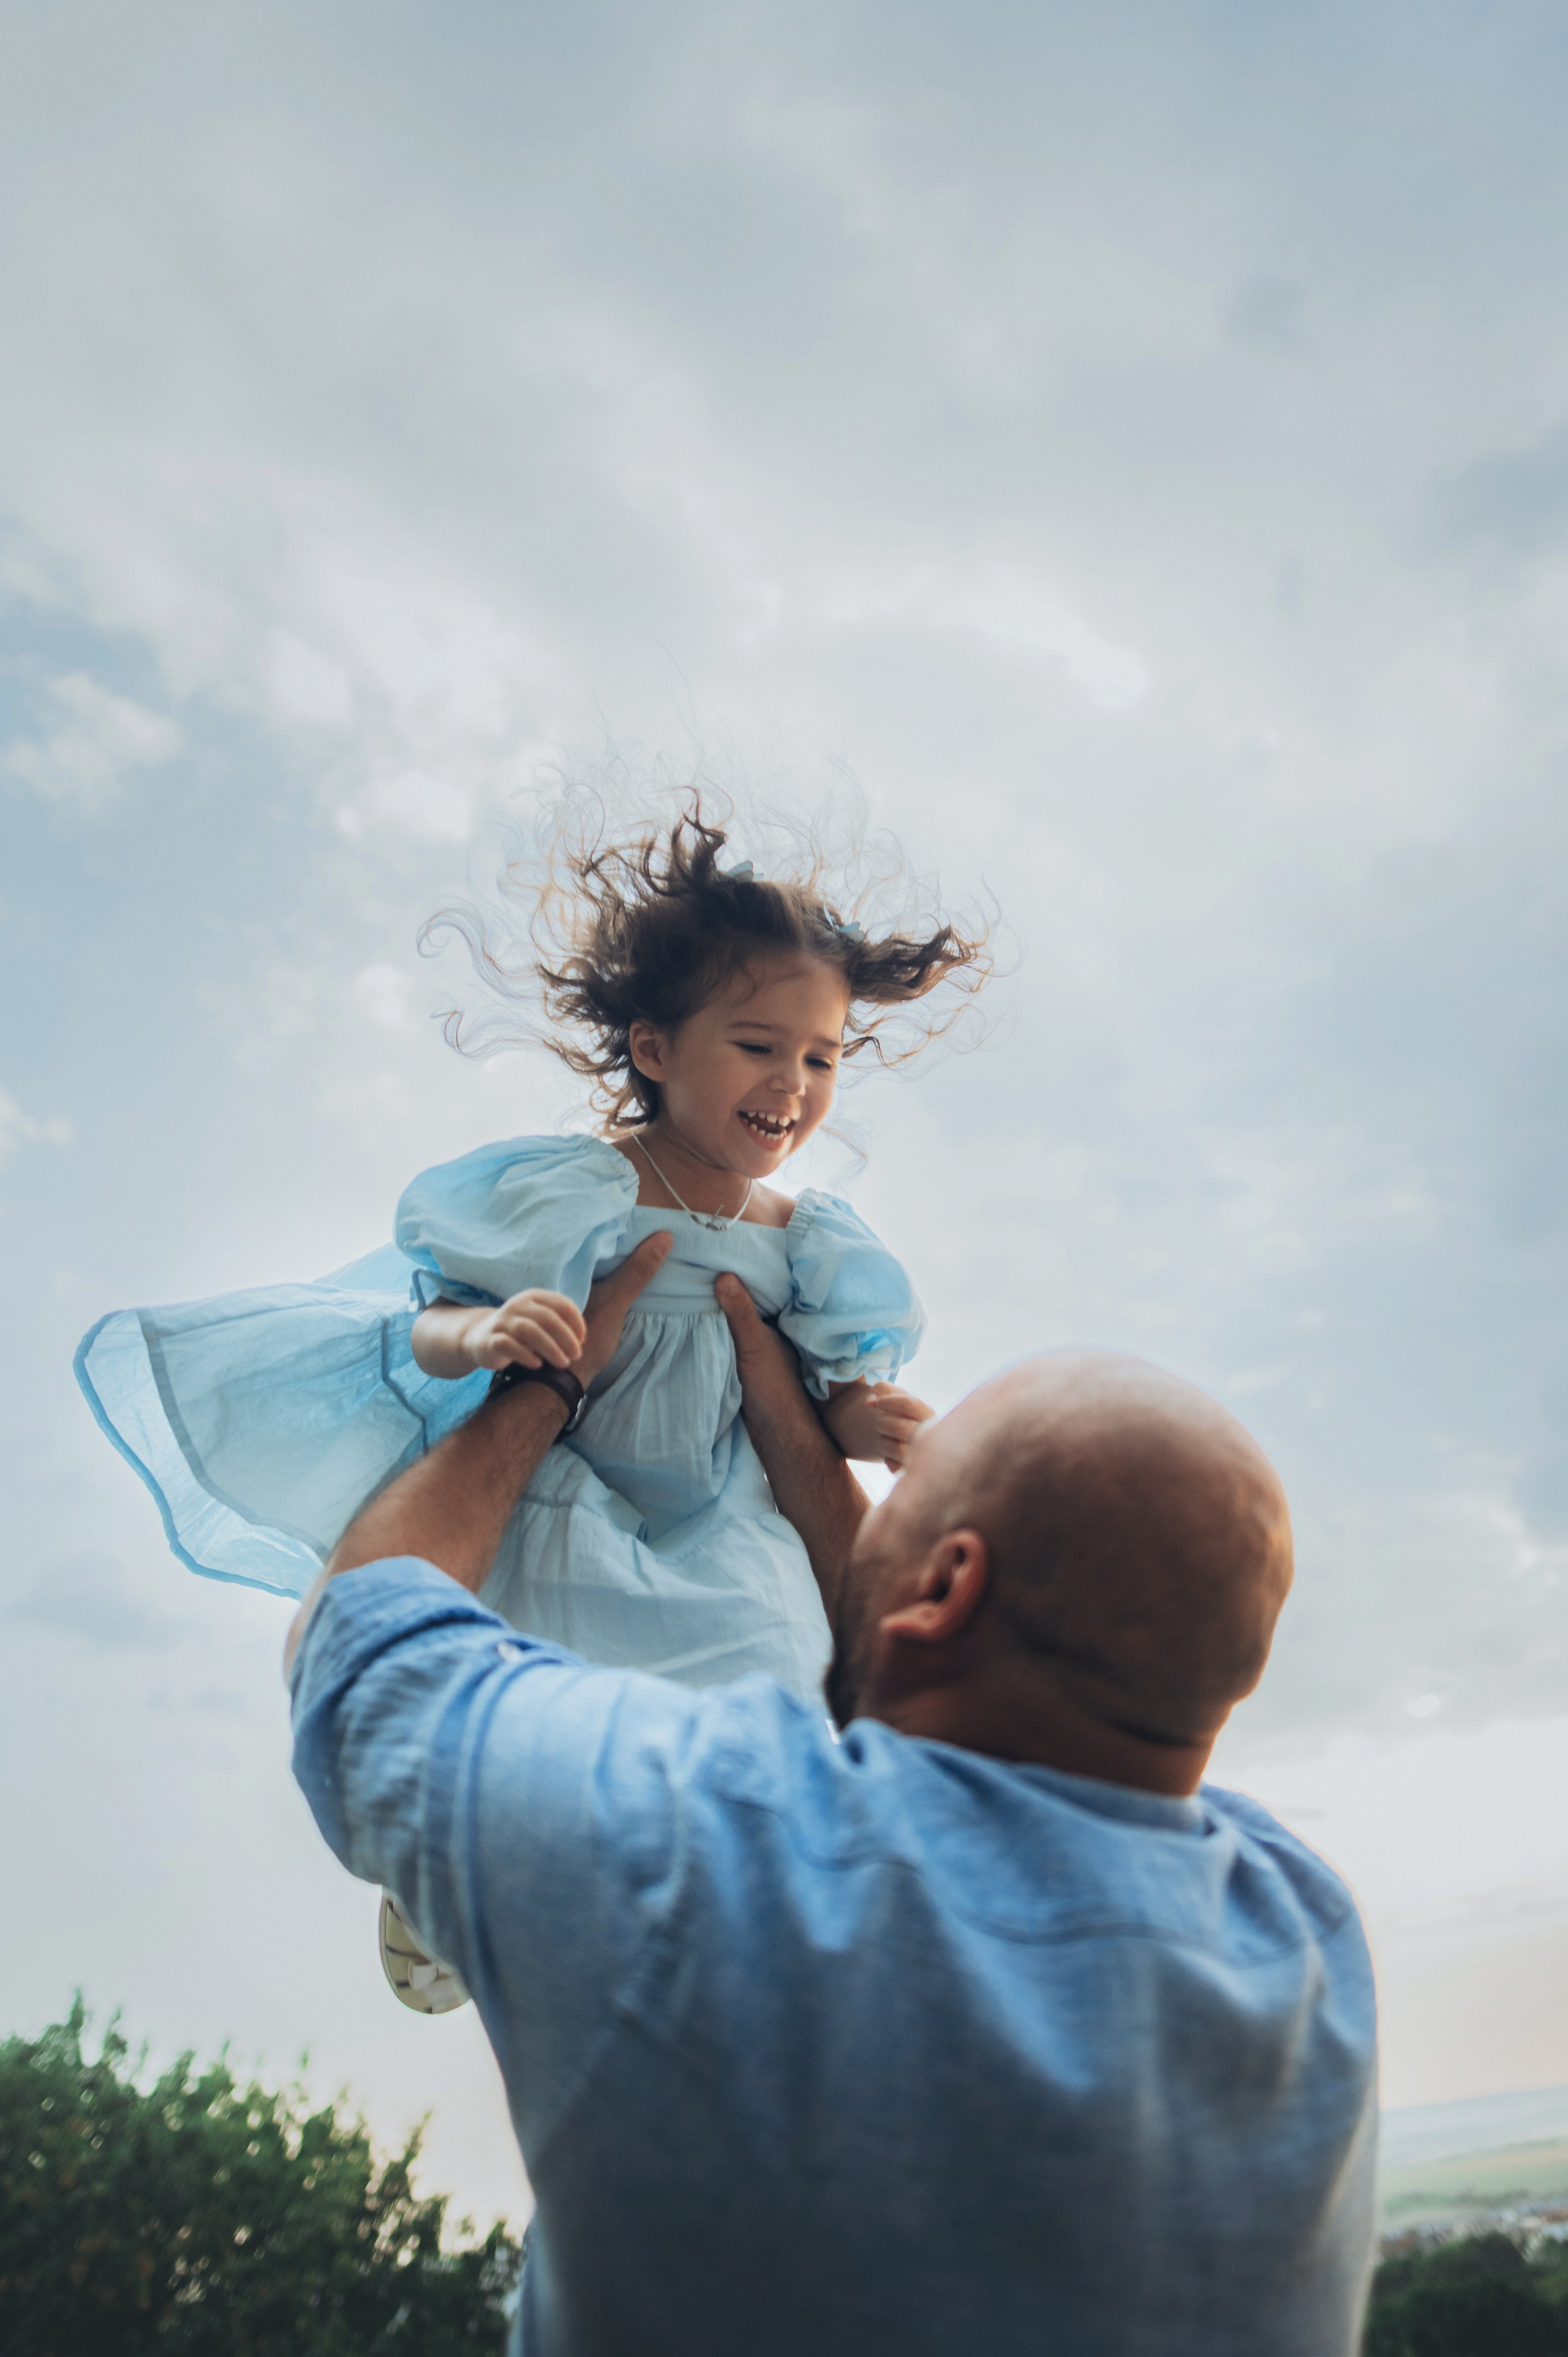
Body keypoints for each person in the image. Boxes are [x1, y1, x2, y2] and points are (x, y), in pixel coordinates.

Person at [287, 1245, 1379, 2356]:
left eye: (908, 1491)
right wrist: (798, 1436)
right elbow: (975, 1747)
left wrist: (546, 1392)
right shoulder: (1307, 1939)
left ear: (949, 1584)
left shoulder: (694, 1846)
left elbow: (356, 1641)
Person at [74, 797, 987, 2006]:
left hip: (725, 1515)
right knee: (537, 1661)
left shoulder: (809, 1240)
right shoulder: (581, 1189)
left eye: (820, 1057)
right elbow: (432, 1316)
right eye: (758, 1045)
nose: (794, 1083)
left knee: (765, 1660)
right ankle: (452, 1872)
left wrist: (883, 1426)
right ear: (654, 1046)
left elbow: (836, 1395)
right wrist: (489, 1330)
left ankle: (709, 1902)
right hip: (575, 1485)